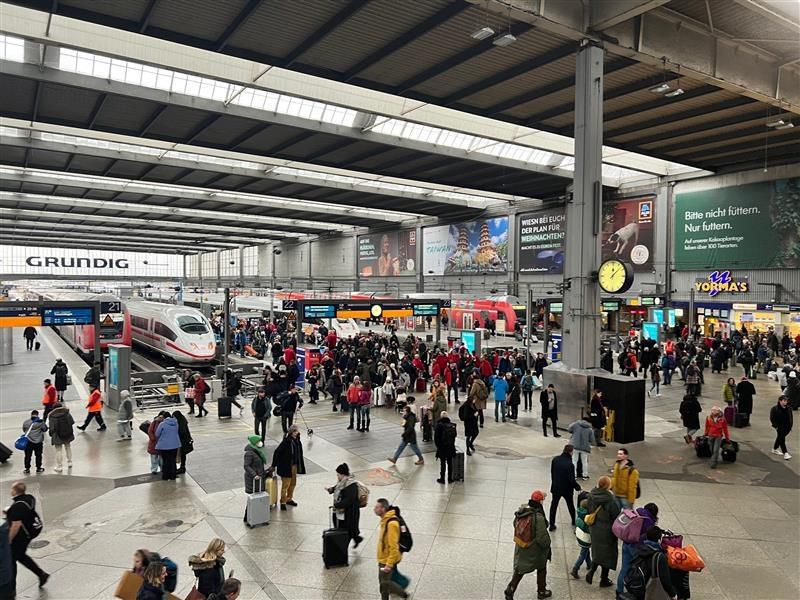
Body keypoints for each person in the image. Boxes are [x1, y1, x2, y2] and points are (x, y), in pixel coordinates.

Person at [503, 490, 552, 600]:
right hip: (534, 549)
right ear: (540, 501)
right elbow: (542, 538)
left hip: (522, 545)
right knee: (541, 568)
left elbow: (515, 524)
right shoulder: (538, 516)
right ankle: (542, 591)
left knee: (520, 569)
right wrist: (547, 545)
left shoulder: (522, 511)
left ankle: (510, 589)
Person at [5, 482, 49, 589]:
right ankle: (41, 574)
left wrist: (9, 539)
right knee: (20, 555)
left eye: (12, 489)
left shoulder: (17, 506)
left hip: (22, 536)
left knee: (11, 559)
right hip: (31, 530)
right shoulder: (29, 498)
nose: (11, 491)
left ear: (15, 491)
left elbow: (16, 525)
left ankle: (10, 588)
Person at [615, 502, 659, 597]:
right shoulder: (649, 521)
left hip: (626, 543)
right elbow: (648, 537)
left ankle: (619, 591)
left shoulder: (637, 511)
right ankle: (632, 591)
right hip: (636, 547)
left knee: (624, 569)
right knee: (636, 571)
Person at [584, 476, 620, 588]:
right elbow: (615, 515)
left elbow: (589, 509)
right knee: (608, 554)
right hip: (607, 530)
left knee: (597, 550)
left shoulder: (591, 495)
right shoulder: (611, 499)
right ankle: (604, 579)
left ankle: (592, 571)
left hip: (594, 528)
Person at [374, 498, 408, 600]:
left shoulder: (391, 524)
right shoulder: (385, 519)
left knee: (384, 584)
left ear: (383, 509)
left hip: (386, 559)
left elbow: (394, 547)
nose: (374, 509)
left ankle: (402, 594)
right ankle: (402, 593)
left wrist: (389, 564)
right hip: (384, 557)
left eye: (377, 507)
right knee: (386, 582)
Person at [630, 526, 678, 600]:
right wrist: (673, 593)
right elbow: (665, 579)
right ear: (659, 540)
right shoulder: (659, 556)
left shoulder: (640, 548)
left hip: (639, 586)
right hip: (651, 589)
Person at [326, 463, 363, 548]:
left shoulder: (351, 484)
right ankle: (356, 539)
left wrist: (337, 505)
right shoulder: (343, 482)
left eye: (338, 474)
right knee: (346, 530)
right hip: (342, 512)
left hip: (349, 513)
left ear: (342, 474)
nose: (337, 476)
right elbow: (338, 487)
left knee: (347, 530)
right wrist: (331, 489)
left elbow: (349, 500)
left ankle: (343, 550)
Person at [271, 425, 306, 510]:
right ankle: (283, 501)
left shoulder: (297, 441)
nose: (296, 433)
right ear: (291, 432)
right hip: (286, 466)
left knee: (293, 484)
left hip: (294, 466)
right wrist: (274, 464)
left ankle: (289, 498)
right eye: (295, 431)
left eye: (297, 431)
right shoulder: (287, 442)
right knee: (285, 485)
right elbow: (277, 452)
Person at [548, 444, 581, 530]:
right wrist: (577, 487)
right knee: (570, 505)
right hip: (567, 489)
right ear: (571, 452)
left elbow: (552, 473)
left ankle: (552, 524)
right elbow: (571, 479)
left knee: (554, 506)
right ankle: (574, 521)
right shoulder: (570, 464)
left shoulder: (555, 460)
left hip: (556, 487)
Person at [243, 434, 269, 520]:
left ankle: (256, 516)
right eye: (258, 441)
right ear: (254, 442)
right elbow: (246, 466)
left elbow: (258, 466)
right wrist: (254, 475)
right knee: (253, 498)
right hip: (253, 480)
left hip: (259, 478)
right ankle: (248, 517)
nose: (260, 443)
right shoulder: (249, 453)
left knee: (257, 498)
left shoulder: (257, 451)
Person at [570, 491, 592, 580]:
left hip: (580, 536)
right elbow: (588, 529)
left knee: (586, 550)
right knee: (583, 553)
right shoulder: (587, 518)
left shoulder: (580, 513)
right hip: (586, 537)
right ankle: (575, 569)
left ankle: (589, 564)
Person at [47, 402, 74, 472]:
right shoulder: (67, 413)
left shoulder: (52, 416)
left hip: (57, 435)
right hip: (67, 433)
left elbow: (52, 428)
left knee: (58, 450)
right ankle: (70, 462)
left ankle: (59, 466)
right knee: (68, 447)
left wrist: (51, 434)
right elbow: (72, 422)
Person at [155, 412, 181, 480]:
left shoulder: (162, 424)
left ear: (164, 417)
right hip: (175, 445)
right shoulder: (176, 423)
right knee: (172, 460)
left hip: (164, 446)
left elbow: (157, 434)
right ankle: (173, 476)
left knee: (165, 461)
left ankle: (165, 476)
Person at [20, 410, 47, 475]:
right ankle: (38, 468)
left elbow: (24, 430)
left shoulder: (26, 422)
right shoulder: (41, 422)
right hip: (38, 442)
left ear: (31, 414)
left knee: (27, 456)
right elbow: (45, 429)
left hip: (28, 441)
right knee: (38, 455)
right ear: (37, 414)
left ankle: (27, 469)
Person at [434, 411, 457, 484]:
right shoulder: (452, 425)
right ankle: (450, 478)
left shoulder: (439, 425)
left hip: (442, 447)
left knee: (442, 463)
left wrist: (438, 446)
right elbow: (454, 436)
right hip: (450, 446)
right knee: (450, 463)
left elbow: (436, 438)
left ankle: (442, 478)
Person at [769, 395, 793, 460]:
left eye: (786, 401)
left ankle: (774, 448)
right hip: (779, 427)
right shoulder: (774, 409)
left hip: (787, 427)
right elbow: (772, 418)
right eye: (784, 401)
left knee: (780, 438)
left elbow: (791, 417)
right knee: (782, 439)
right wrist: (775, 426)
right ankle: (785, 453)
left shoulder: (789, 408)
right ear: (780, 401)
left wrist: (790, 426)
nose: (785, 402)